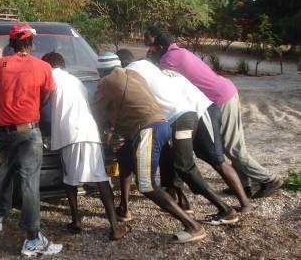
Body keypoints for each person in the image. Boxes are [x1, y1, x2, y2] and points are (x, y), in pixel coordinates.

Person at [117, 49, 250, 220]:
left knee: (205, 161)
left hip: (197, 112)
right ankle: (182, 201)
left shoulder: (132, 72)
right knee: (170, 157)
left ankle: (231, 207)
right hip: (179, 117)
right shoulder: (152, 70)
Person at [152, 33, 282, 198]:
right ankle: (243, 185)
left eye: (151, 47)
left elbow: (159, 83)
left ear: (160, 47)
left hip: (219, 98)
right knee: (230, 145)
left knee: (232, 148)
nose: (150, 50)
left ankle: (269, 179)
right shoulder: (180, 52)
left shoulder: (168, 59)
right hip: (223, 92)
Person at [93, 53, 206, 244]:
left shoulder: (107, 82)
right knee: (127, 158)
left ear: (102, 71)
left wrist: (104, 130)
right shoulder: (133, 75)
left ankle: (193, 226)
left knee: (147, 184)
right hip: (161, 125)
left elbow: (95, 109)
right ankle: (125, 209)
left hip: (147, 130)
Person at [0, 23, 62, 257]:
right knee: (29, 183)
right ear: (31, 43)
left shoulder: (0, 64)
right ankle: (32, 239)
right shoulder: (43, 66)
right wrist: (36, 106)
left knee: (4, 173)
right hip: (28, 131)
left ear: (11, 43)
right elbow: (47, 93)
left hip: (4, 132)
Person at [41, 52, 129, 240]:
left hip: (69, 133)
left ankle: (76, 220)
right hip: (89, 131)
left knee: (69, 179)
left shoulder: (49, 76)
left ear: (48, 65)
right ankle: (114, 226)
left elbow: (44, 101)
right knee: (101, 178)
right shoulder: (76, 81)